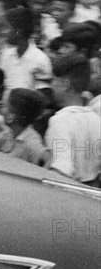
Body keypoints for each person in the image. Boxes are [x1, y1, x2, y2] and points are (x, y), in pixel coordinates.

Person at [45, 54, 101, 186]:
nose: (51, 85)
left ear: (65, 84)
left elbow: (62, 169)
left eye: (53, 80)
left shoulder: (60, 121)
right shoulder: (96, 118)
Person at [0, 7, 52, 96]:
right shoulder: (6, 54)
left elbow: (43, 95)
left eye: (6, 28)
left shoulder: (40, 59)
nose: (3, 32)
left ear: (17, 32)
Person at [0, 88, 50, 166]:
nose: (0, 110)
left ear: (11, 117)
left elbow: (48, 160)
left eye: (3, 106)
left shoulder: (31, 142)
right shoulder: (7, 134)